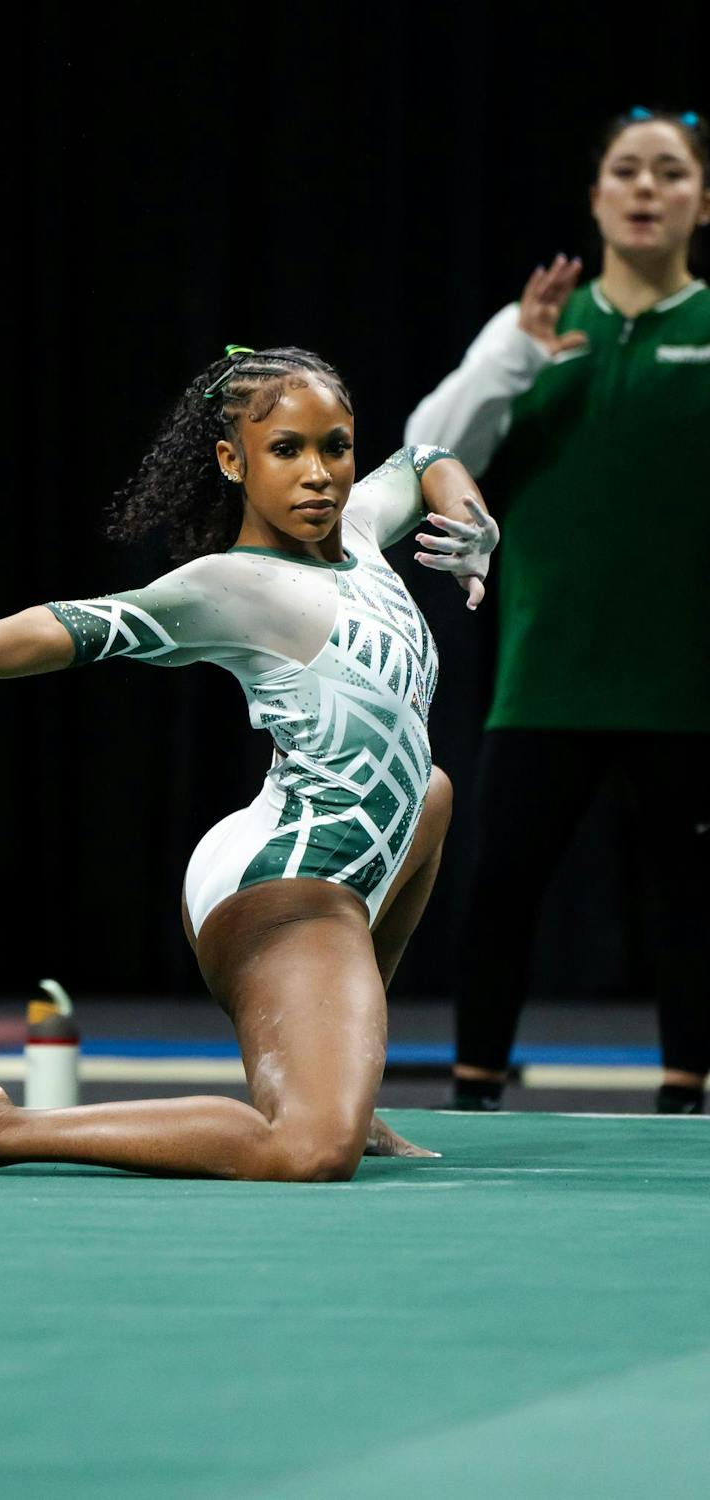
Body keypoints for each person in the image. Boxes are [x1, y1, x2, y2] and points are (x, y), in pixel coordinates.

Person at [0, 345, 498, 1178]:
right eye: (287, 450)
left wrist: (475, 522)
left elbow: (426, 460)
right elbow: (75, 627)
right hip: (283, 886)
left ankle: (342, 1074)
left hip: (344, 853)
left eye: (335, 446)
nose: (320, 474)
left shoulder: (362, 530)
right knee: (308, 1150)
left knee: (433, 790)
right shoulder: (231, 585)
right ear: (233, 461)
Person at [404, 108, 710, 1114]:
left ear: (700, 202)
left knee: (691, 904)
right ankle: (475, 1089)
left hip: (687, 686)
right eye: (625, 170)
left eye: (669, 173)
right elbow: (423, 453)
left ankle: (684, 1101)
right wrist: (515, 357)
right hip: (545, 678)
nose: (645, 188)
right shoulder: (532, 332)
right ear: (595, 198)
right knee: (497, 892)